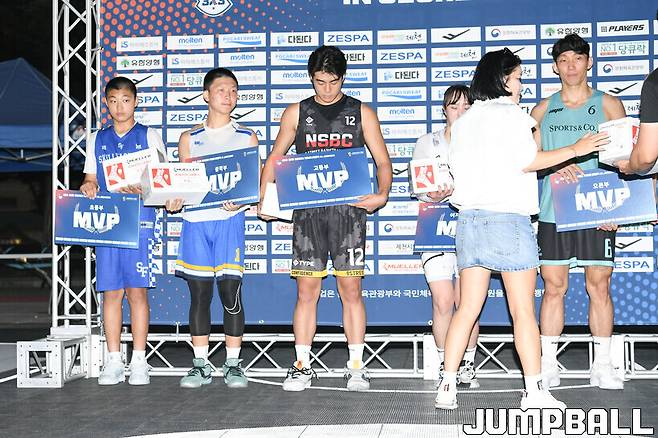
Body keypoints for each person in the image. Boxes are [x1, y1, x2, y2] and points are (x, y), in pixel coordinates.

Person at [434, 48, 608, 410]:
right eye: (517, 78)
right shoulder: (514, 116)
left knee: (466, 309)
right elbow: (529, 161)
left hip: (469, 222)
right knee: (523, 312)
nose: (521, 85)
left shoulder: (464, 121)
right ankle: (534, 392)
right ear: (502, 80)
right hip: (508, 221)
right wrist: (576, 148)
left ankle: (446, 386)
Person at [259, 45, 392, 391]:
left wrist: (382, 194)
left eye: (333, 82)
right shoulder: (296, 112)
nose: (327, 89)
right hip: (308, 214)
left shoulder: (361, 112)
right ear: (311, 78)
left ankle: (356, 366)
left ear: (343, 78)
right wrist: (265, 199)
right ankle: (302, 365)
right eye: (320, 82)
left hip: (349, 214)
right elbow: (274, 158)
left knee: (351, 290)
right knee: (307, 291)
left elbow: (382, 162)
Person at [531, 34, 626, 390]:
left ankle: (602, 365)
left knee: (599, 285)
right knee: (553, 287)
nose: (571, 66)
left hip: (598, 209)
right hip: (554, 211)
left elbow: (625, 159)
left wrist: (618, 206)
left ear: (589, 62)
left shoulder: (609, 104)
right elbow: (527, 159)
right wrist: (557, 165)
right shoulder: (542, 110)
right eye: (564, 60)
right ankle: (547, 365)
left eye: (577, 58)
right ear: (555, 67)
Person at [165, 68, 258, 389]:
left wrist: (242, 201)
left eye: (233, 90)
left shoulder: (247, 136)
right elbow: (182, 186)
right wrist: (173, 200)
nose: (228, 96)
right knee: (200, 295)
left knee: (231, 294)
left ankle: (233, 364)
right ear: (206, 95)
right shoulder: (189, 139)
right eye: (221, 90)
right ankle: (200, 364)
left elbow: (253, 186)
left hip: (229, 222)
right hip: (196, 223)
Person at [80, 76, 167, 385]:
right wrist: (88, 185)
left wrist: (145, 187)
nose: (120, 107)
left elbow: (164, 180)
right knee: (111, 293)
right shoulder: (96, 139)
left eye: (126, 100)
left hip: (140, 222)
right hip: (107, 225)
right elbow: (90, 178)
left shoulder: (149, 135)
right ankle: (114, 360)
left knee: (137, 292)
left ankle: (140, 360)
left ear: (136, 102)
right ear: (106, 103)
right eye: (114, 101)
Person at [411, 84, 479, 388]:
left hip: (472, 224)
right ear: (444, 110)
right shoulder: (427, 142)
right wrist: (433, 194)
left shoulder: (483, 143)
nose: (460, 112)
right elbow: (419, 187)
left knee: (467, 301)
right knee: (442, 300)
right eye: (454, 106)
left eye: (466, 106)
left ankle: (467, 363)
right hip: (435, 224)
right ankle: (444, 363)